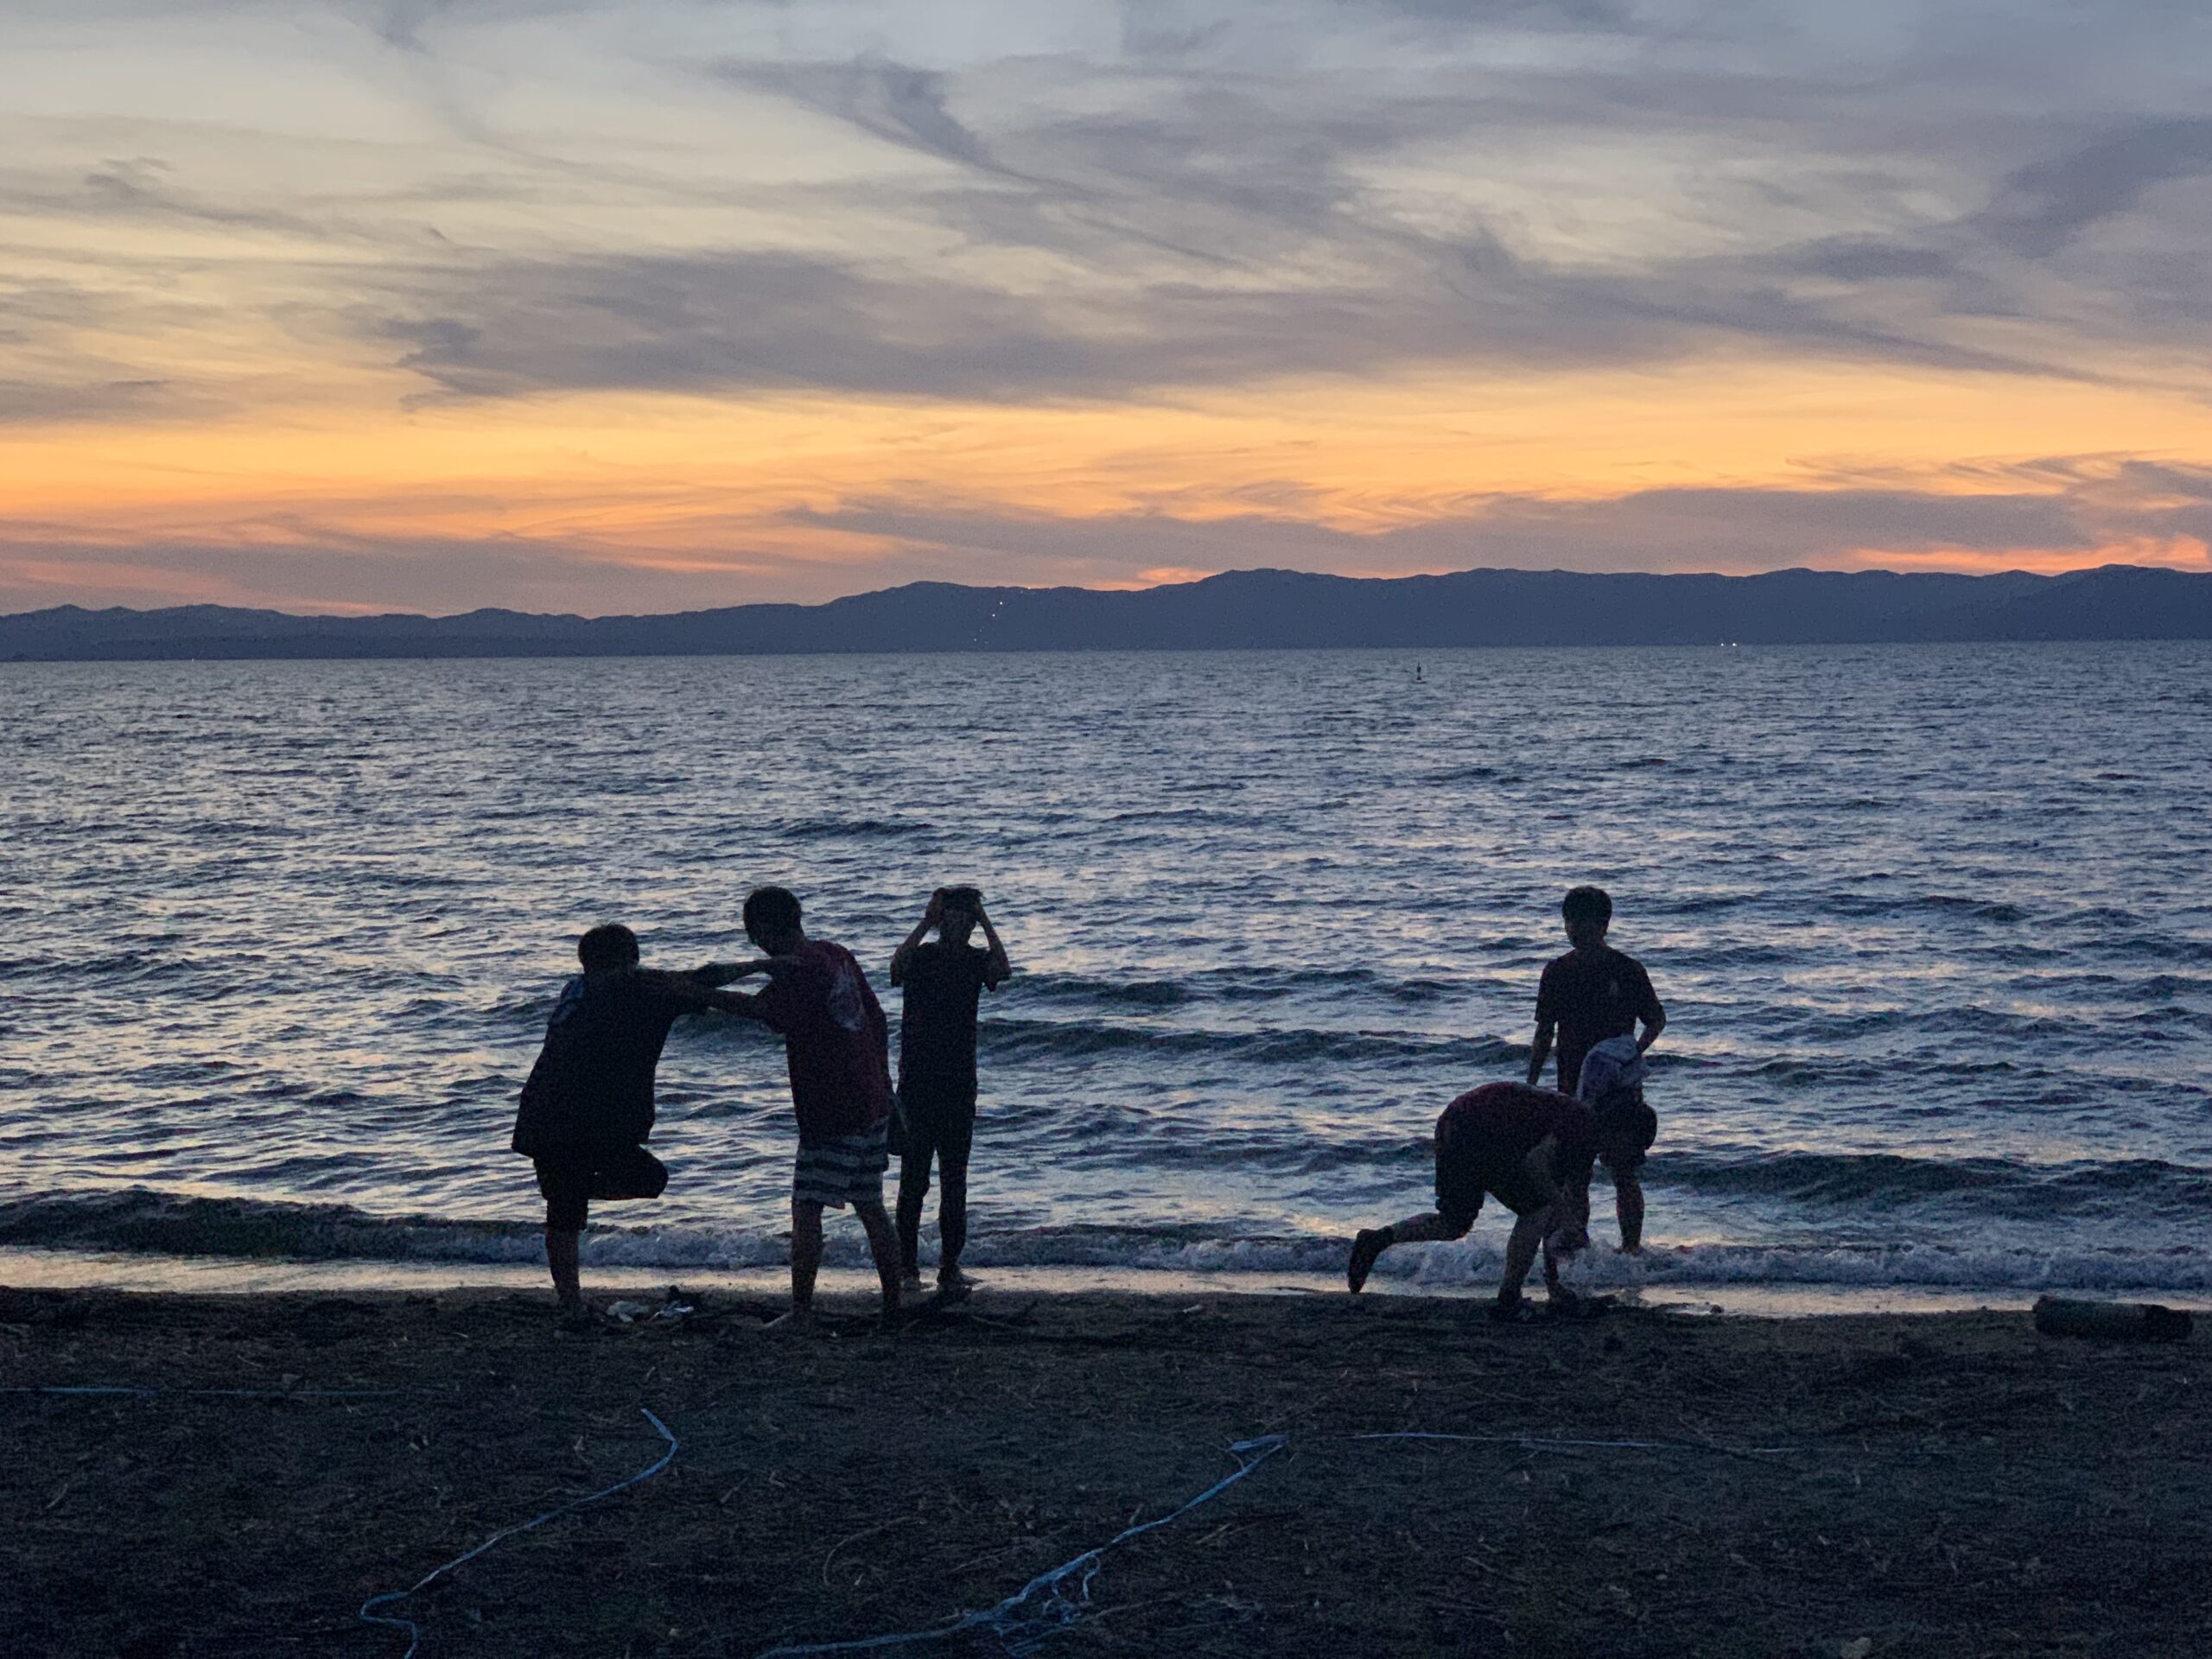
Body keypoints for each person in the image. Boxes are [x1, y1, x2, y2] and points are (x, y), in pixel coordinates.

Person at [512, 923, 755, 1325]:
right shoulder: (637, 989)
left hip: (545, 1110)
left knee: (565, 1209)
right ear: (630, 960)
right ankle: (570, 1295)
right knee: (647, 1180)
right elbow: (700, 983)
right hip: (584, 1117)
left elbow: (690, 984)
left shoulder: (577, 989)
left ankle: (570, 1301)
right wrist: (761, 973)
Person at [709, 886, 903, 1331]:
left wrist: (700, 995)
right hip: (871, 1096)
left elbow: (761, 1010)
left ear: (764, 931)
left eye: (755, 936)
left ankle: (801, 1311)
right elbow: (877, 1019)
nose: (756, 943)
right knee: (870, 1204)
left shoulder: (800, 972)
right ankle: (892, 1303)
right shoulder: (834, 954)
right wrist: (885, 1083)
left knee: (807, 1206)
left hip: (833, 1107)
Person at [1344, 1080, 1656, 1319]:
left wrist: (1554, 1282)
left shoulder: (1584, 1136)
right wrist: (1562, 1213)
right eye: (1636, 1147)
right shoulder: (1583, 1128)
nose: (1635, 1157)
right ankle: (1508, 1299)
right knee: (1537, 1207)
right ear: (1620, 1132)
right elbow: (1535, 1168)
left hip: (1459, 1122)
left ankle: (1379, 1239)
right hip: (1475, 1128)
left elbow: (1553, 1205)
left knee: (1455, 1222)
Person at [1526, 886, 1666, 1253]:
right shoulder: (1556, 971)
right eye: (1569, 922)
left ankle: (1631, 1251)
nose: (1575, 930)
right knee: (1575, 1176)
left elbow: (1656, 1020)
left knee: (1623, 1170)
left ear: (1603, 925)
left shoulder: (1627, 969)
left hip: (1619, 1089)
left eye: (1584, 922)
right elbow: (1544, 1032)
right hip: (1571, 1086)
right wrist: (1531, 1083)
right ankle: (1576, 1247)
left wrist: (1630, 1053)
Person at [888, 886, 1012, 1301]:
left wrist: (986, 919)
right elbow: (895, 967)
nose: (959, 925)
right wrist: (926, 920)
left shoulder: (976, 961)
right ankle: (907, 1267)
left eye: (966, 920)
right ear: (942, 921)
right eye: (952, 918)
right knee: (914, 1180)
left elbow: (1003, 970)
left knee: (954, 1181)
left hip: (959, 1083)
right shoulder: (922, 957)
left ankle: (949, 1267)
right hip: (918, 1083)